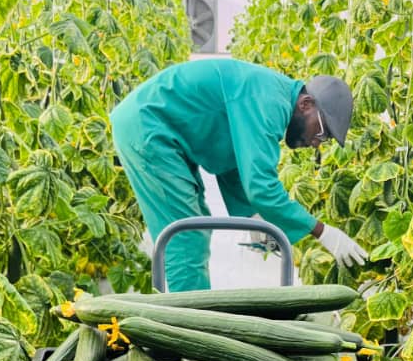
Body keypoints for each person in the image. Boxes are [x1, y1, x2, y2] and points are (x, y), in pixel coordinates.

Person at [109, 57, 367, 291]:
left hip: (159, 130)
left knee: (193, 230)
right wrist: (323, 232)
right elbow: (262, 187)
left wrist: (250, 215)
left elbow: (231, 160)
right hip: (149, 129)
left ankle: (191, 319)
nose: (316, 143)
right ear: (306, 104)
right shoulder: (269, 103)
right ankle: (188, 330)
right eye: (321, 132)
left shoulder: (270, 95)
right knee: (185, 237)